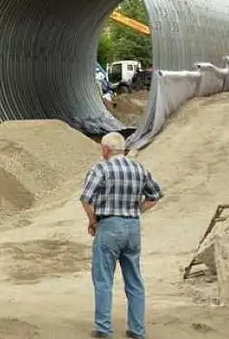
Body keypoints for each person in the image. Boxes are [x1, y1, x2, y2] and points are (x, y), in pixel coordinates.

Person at [80, 132, 164, 339]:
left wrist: (94, 221)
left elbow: (86, 199)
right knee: (134, 279)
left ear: (106, 150)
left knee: (103, 279)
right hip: (132, 228)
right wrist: (136, 211)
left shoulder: (101, 169)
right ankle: (137, 330)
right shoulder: (138, 168)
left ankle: (104, 328)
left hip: (109, 226)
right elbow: (155, 195)